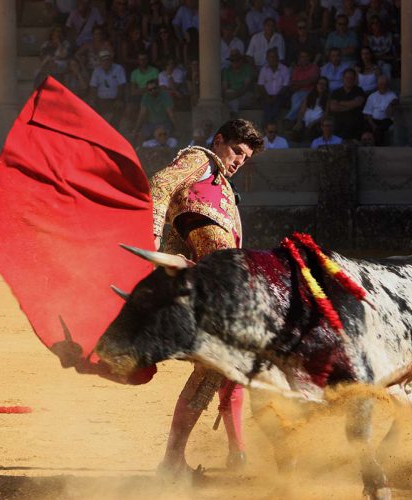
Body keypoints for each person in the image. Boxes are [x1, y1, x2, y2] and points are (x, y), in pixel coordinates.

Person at [151, 118, 264, 477]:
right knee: (212, 369)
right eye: (235, 151)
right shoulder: (199, 160)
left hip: (224, 288)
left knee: (230, 370)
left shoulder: (221, 186)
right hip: (213, 293)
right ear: (218, 141)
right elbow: (160, 184)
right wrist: (152, 238)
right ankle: (172, 462)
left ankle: (238, 454)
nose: (238, 161)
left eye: (245, 158)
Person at [89, 50, 126, 127]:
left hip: (115, 99)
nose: (106, 63)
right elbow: (93, 87)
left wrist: (119, 99)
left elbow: (121, 85)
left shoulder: (118, 68)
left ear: (111, 61)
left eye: (108, 60)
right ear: (100, 62)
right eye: (103, 61)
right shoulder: (97, 70)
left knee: (118, 110)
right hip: (101, 100)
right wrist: (92, 100)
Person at [328, 67, 365, 141]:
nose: (349, 80)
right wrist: (351, 105)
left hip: (356, 128)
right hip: (339, 128)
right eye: (347, 78)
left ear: (354, 79)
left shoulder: (359, 90)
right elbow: (333, 107)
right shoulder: (336, 92)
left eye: (351, 78)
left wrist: (340, 103)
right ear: (343, 78)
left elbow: (357, 103)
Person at [134, 79, 174, 143]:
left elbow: (171, 114)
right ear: (147, 91)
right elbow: (142, 114)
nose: (153, 91)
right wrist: (136, 130)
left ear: (158, 87)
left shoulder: (165, 96)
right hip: (150, 123)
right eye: (150, 90)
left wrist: (176, 128)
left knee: (161, 137)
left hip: (164, 123)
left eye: (154, 88)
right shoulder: (145, 97)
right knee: (139, 138)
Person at [257, 47, 290, 126]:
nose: (272, 59)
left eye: (274, 56)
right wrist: (268, 97)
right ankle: (269, 126)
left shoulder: (284, 69)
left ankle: (267, 126)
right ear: (267, 58)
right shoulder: (263, 69)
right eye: (270, 57)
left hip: (280, 95)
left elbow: (285, 86)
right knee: (267, 107)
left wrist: (275, 97)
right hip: (266, 95)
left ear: (278, 58)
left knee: (275, 107)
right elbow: (260, 85)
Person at [363, 74, 397, 145]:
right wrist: (372, 124)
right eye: (381, 84)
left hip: (387, 120)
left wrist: (392, 104)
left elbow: (390, 113)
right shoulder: (372, 96)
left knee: (380, 130)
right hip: (374, 120)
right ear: (377, 85)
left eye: (385, 84)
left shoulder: (392, 96)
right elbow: (368, 113)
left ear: (388, 85)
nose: (383, 86)